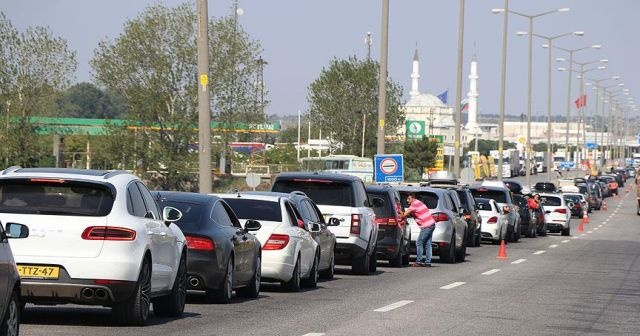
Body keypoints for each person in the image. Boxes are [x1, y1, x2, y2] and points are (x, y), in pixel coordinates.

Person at [402, 192, 436, 267]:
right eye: (407, 199)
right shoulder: (419, 203)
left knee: (419, 242)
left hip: (427, 226)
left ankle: (419, 261)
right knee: (428, 244)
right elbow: (411, 214)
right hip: (431, 224)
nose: (407, 200)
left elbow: (404, 215)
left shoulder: (414, 204)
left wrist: (398, 212)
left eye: (409, 199)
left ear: (413, 198)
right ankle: (428, 262)